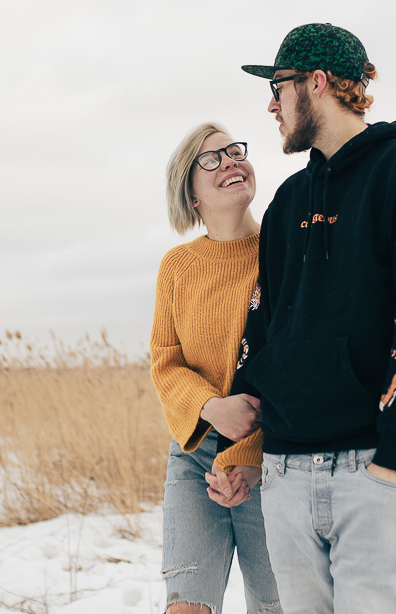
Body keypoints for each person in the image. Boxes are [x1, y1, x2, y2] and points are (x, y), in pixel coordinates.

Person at [230, 23, 396, 613]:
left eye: (278, 86)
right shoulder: (287, 203)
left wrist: (394, 452)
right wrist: (247, 435)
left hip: (373, 470)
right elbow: (265, 321)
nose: (271, 104)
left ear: (316, 83)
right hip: (285, 472)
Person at [150, 122, 283, 614]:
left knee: (276, 606)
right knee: (186, 607)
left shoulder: (282, 253)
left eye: (234, 151)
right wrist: (211, 408)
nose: (229, 161)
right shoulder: (177, 266)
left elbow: (290, 363)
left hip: (269, 458)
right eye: (211, 159)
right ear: (191, 194)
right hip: (194, 455)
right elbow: (166, 363)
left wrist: (247, 448)